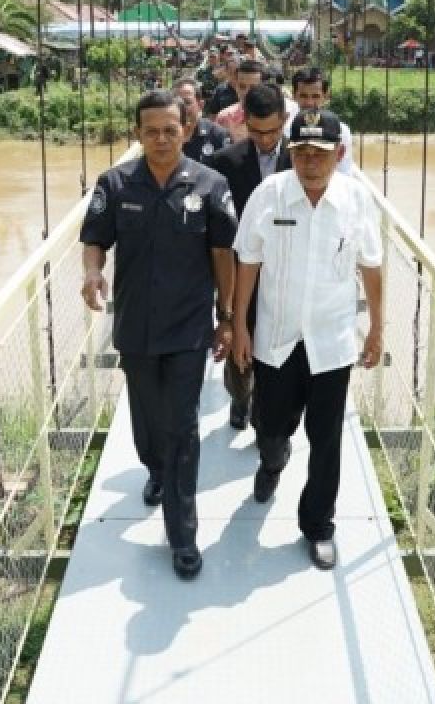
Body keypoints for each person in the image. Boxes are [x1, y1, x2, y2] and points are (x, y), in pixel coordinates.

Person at [79, 90, 238, 580]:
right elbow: (94, 240)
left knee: (183, 427)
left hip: (189, 328)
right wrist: (91, 273)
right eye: (152, 131)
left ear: (187, 130)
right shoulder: (116, 182)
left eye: (171, 129)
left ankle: (183, 535)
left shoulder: (211, 185)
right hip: (135, 326)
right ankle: (155, 469)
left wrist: (226, 316)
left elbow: (223, 256)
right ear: (138, 134)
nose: (162, 139)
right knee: (148, 423)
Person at [231, 108, 383, 571]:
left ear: (339, 154)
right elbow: (247, 263)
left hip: (331, 342)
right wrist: (239, 325)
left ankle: (318, 525)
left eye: (320, 152)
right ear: (290, 153)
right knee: (271, 426)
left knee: (326, 439)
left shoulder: (357, 201)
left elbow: (371, 266)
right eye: (301, 152)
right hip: (276, 337)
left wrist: (377, 327)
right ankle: (271, 463)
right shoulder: (269, 196)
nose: (310, 161)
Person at [206, 83, 292, 431]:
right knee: (239, 341)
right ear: (244, 122)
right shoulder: (224, 163)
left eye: (271, 131)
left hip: (288, 271)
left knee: (281, 347)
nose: (264, 139)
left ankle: (267, 417)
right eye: (255, 131)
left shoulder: (304, 159)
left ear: (285, 120)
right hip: (239, 271)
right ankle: (240, 398)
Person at [290, 67, 355, 175]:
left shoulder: (342, 131)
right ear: (294, 95)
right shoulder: (285, 130)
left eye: (315, 96)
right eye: (303, 96)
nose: (309, 103)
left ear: (326, 96)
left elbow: (344, 173)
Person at [172, 77, 230, 162]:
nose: (181, 108)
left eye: (187, 102)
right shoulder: (165, 136)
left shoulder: (217, 135)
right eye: (177, 103)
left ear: (200, 105)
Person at [214, 59, 266, 143]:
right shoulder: (224, 118)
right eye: (242, 86)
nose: (247, 92)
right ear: (236, 86)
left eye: (253, 88)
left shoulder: (274, 117)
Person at [203, 49, 240, 118]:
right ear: (226, 71)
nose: (234, 75)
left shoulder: (248, 88)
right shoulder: (220, 90)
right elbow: (213, 114)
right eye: (231, 72)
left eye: (236, 72)